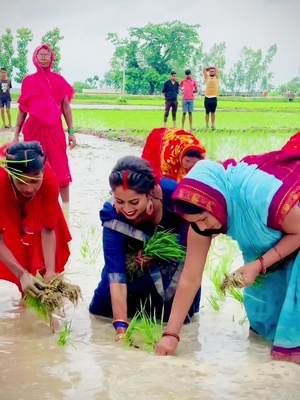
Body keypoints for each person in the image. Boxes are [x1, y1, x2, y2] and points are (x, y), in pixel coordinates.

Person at [155, 140, 300, 364]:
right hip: (269, 247)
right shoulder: (200, 220)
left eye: (204, 220)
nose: (204, 229)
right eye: (195, 223)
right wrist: (171, 334)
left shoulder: (258, 194)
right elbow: (190, 278)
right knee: (264, 323)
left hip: (295, 230)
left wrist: (259, 264)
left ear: (216, 202)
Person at [89, 156, 200, 340]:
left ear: (151, 193)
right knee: (100, 311)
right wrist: (121, 330)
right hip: (131, 270)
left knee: (175, 317)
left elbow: (194, 243)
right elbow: (116, 273)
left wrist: (163, 254)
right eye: (119, 201)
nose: (127, 209)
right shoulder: (112, 215)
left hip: (171, 269)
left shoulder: (174, 197)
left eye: (134, 202)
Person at [0, 141, 72, 297]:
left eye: (34, 180)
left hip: (38, 199)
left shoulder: (48, 180)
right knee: (14, 244)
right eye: (21, 181)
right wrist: (21, 274)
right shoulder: (1, 182)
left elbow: (48, 227)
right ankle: (24, 286)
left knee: (39, 251)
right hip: (5, 194)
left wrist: (51, 272)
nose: (28, 188)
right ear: (11, 175)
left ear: (43, 171)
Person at [13, 44, 76, 204]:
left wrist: (71, 131)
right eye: (40, 55)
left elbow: (66, 107)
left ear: (51, 58)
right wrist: (16, 134)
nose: (43, 57)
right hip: (33, 130)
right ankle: (33, 206)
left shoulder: (58, 80)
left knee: (60, 166)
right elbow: (22, 109)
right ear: (35, 57)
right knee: (31, 168)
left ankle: (66, 209)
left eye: (46, 55)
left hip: (54, 130)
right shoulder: (28, 81)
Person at [142, 127, 206, 182]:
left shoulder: (201, 153)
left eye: (194, 162)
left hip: (182, 140)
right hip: (163, 138)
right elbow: (167, 177)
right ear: (181, 156)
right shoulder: (169, 156)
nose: (189, 165)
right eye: (187, 161)